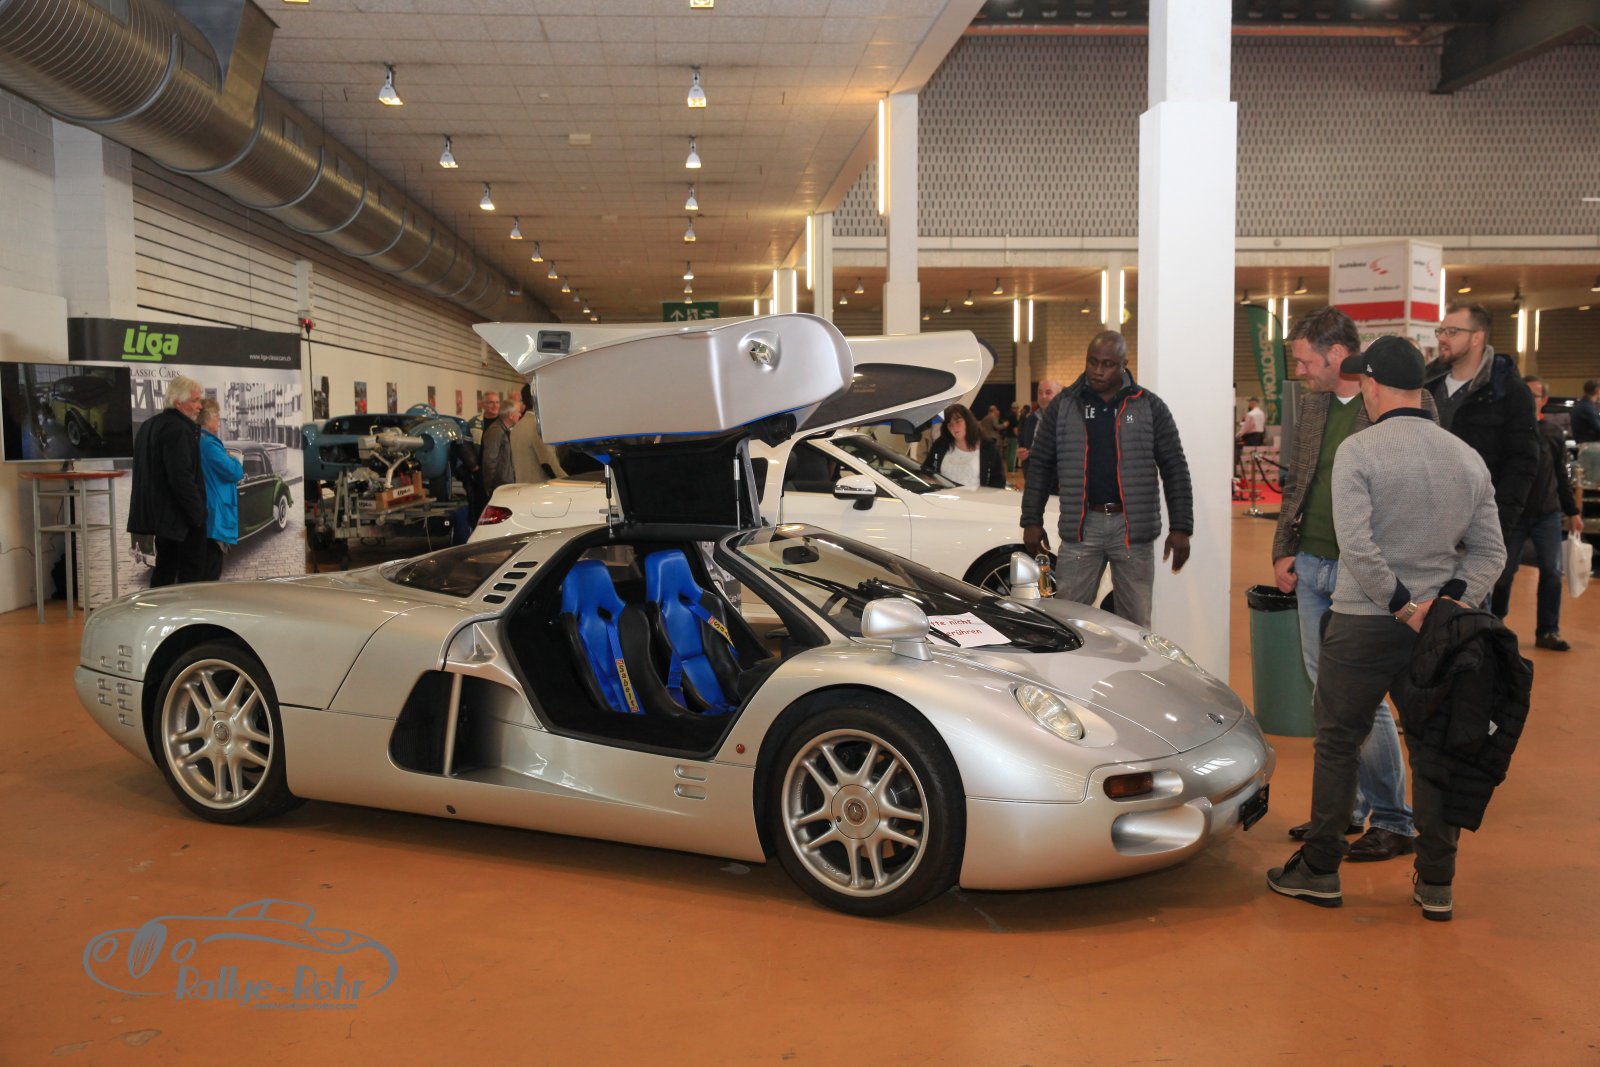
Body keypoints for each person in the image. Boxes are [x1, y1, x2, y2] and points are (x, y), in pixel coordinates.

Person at [1267, 336, 1505, 922]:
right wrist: (1443, 605)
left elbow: (1358, 548)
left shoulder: (1360, 450)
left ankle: (1321, 870)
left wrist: (1403, 606)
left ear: (1371, 386)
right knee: (1433, 749)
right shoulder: (1465, 457)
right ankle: (1437, 882)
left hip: (1364, 623)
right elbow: (1490, 553)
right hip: (1439, 634)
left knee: (1338, 741)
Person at [1272, 308, 1424, 862]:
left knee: (1364, 698)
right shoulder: (1313, 405)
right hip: (1311, 565)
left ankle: (1393, 819)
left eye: (1304, 360)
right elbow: (1298, 480)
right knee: (1329, 696)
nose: (1299, 371)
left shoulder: (1396, 405)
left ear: (1336, 354)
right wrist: (1283, 549)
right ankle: (1346, 809)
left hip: (1364, 573)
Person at [1020, 331, 1193, 628]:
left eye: (1108, 364)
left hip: (1132, 530)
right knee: (1066, 620)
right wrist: (1031, 520)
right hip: (1081, 527)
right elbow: (1040, 465)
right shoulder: (1063, 406)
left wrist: (1181, 527)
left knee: (1136, 624)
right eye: (1093, 362)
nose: (1098, 370)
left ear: (1124, 365)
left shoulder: (1149, 406)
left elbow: (1174, 466)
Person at [1425, 303, 1540, 544]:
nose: (1442, 338)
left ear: (1477, 337)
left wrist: (1498, 526)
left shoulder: (1508, 391)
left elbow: (1522, 462)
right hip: (1425, 525)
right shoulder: (1427, 387)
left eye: (1452, 332)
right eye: (1441, 331)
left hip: (1477, 529)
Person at [1491, 375, 1582, 651]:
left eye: (1535, 395)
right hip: (1514, 516)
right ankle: (1495, 624)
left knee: (1552, 572)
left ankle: (1548, 631)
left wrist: (1573, 512)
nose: (1530, 400)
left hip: (1547, 515)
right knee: (1503, 573)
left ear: (1544, 400)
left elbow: (1561, 476)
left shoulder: (1553, 433)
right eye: (1525, 394)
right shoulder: (1508, 431)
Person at [128, 374, 209, 587]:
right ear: (178, 402)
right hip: (183, 521)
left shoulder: (149, 426)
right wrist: (198, 515)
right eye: (195, 400)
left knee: (164, 571)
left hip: (164, 521)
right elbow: (181, 478)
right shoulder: (179, 429)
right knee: (191, 579)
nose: (200, 406)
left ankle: (158, 609)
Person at [196, 398, 243, 582]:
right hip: (215, 514)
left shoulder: (200, 441)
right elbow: (235, 471)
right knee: (211, 572)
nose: (219, 421)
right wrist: (233, 459)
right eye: (217, 416)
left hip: (209, 509)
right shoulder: (209, 445)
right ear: (208, 418)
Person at [921, 403, 1006, 488]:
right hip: (944, 496)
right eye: (950, 424)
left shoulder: (988, 448)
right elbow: (926, 471)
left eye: (958, 421)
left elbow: (998, 481)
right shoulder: (940, 445)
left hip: (975, 496)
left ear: (968, 421)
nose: (954, 427)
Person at [478, 393, 524, 499]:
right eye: (518, 412)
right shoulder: (496, 431)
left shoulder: (505, 430)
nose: (520, 415)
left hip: (506, 483)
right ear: (510, 415)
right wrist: (489, 486)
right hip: (500, 485)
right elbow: (490, 460)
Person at [1016, 379, 1061, 469]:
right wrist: (1021, 453)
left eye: (1048, 393)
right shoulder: (1030, 420)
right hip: (1032, 473)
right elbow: (1023, 443)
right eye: (1040, 393)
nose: (1043, 396)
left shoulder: (1066, 420)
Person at [1574, 378, 1600, 444]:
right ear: (1597, 390)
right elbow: (1598, 428)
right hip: (1590, 446)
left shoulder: (1582, 405)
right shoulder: (1587, 408)